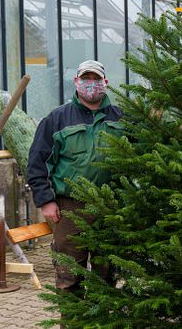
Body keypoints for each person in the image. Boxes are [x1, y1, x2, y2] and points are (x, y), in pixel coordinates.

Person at [27, 60, 124, 294]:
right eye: (86, 79)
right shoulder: (57, 119)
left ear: (106, 83)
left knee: (107, 273)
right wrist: (45, 201)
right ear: (77, 82)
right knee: (70, 275)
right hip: (70, 208)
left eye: (96, 79)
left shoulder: (121, 118)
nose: (92, 84)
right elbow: (37, 163)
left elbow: (148, 144)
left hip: (110, 205)